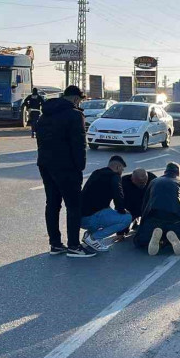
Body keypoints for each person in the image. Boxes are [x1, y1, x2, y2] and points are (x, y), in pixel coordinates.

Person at [35, 85, 96, 258]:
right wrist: (80, 167)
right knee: (73, 206)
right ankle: (74, 246)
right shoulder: (75, 115)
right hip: (67, 166)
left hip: (45, 164)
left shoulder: (44, 114)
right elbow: (79, 144)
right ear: (77, 99)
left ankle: (55, 244)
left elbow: (40, 140)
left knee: (52, 204)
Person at [79, 155, 134, 252]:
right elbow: (119, 196)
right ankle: (93, 238)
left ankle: (89, 234)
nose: (122, 172)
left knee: (108, 210)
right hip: (92, 218)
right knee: (127, 218)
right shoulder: (115, 177)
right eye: (122, 169)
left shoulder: (96, 173)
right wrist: (122, 210)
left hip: (80, 218)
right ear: (117, 167)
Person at [135, 162, 180, 256]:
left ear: (165, 172)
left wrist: (142, 222)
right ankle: (169, 238)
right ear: (178, 174)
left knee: (139, 240)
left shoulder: (154, 181)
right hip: (173, 219)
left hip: (154, 217)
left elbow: (145, 203)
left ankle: (159, 239)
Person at [119, 168, 158, 235]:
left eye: (144, 182)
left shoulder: (153, 179)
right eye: (140, 183)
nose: (143, 184)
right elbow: (118, 201)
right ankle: (131, 223)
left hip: (147, 209)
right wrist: (120, 232)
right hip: (130, 209)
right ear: (132, 179)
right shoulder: (123, 182)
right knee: (123, 230)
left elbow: (158, 197)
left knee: (150, 231)